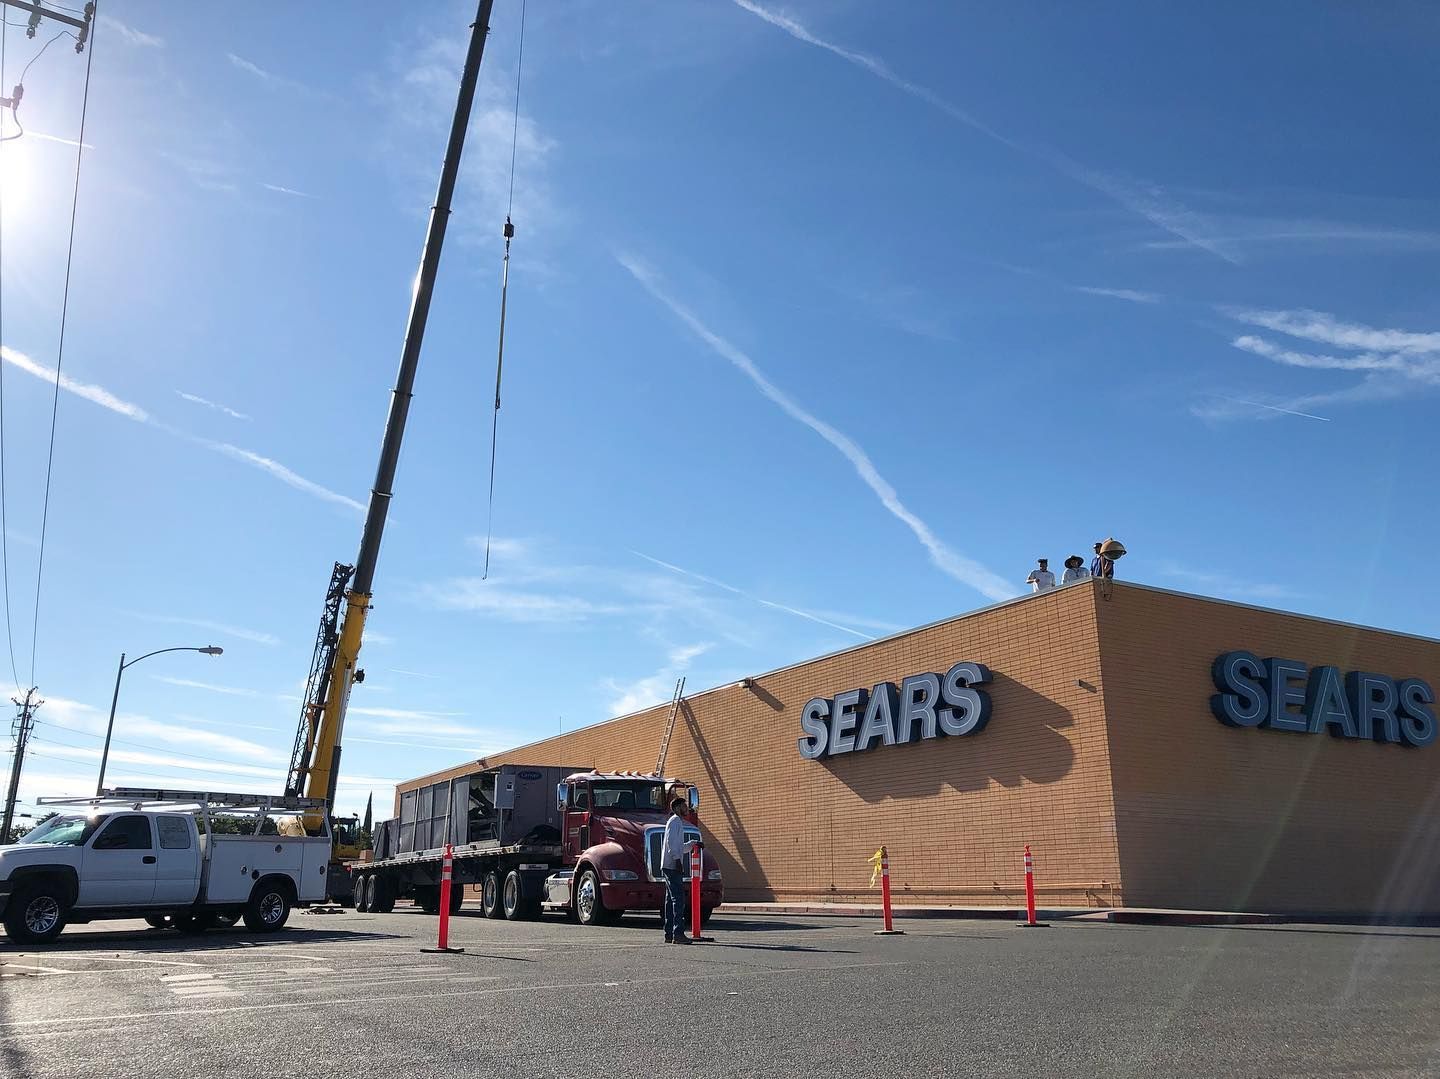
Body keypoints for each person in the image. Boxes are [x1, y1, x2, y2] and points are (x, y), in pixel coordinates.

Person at [660, 796, 691, 943]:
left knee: (669, 899)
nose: (687, 809)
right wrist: (677, 861)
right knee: (678, 899)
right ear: (678, 807)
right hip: (672, 866)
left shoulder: (675, 822)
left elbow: (678, 847)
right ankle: (678, 933)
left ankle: (669, 934)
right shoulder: (675, 821)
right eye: (684, 806)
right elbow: (671, 844)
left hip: (668, 865)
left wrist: (692, 844)